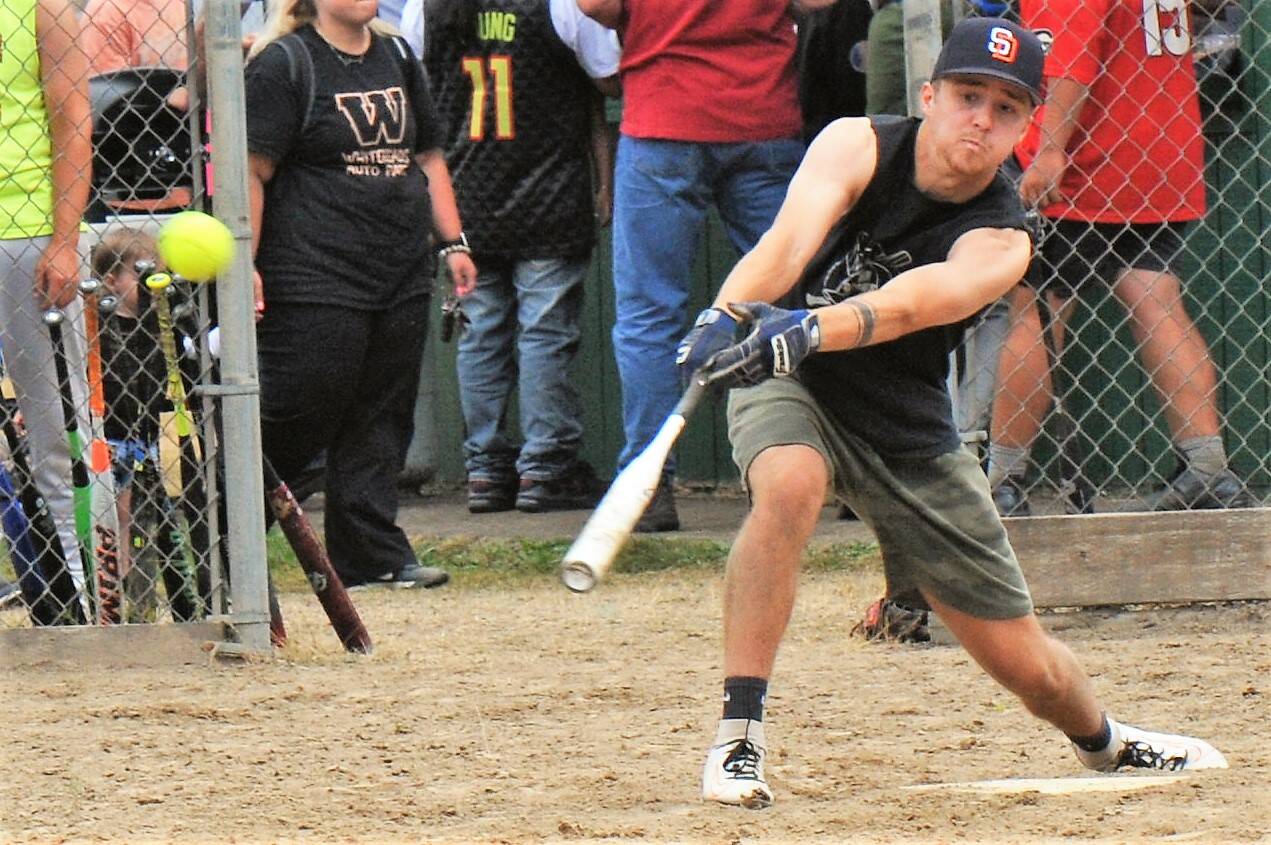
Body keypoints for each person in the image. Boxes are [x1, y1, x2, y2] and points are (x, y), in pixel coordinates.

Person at [673, 18, 1228, 809]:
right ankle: (738, 737)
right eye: (968, 96)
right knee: (789, 483)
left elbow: (910, 304)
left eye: (1005, 109)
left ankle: (1108, 741)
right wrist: (727, 315)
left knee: (1027, 667)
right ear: (929, 96)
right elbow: (787, 243)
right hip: (795, 384)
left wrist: (806, 328)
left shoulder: (1004, 236)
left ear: (1022, 128)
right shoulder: (854, 143)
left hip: (903, 426)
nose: (981, 119)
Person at [986, 0, 1252, 515]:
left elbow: (1071, 59)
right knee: (1156, 300)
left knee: (1039, 310)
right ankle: (1207, 468)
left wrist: (1049, 151)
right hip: (1160, 149)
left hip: (1089, 157)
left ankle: (999, 477)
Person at [244, 0, 476, 589]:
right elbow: (251, 168)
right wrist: (243, 263)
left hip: (397, 264)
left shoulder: (397, 53)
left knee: (382, 412)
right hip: (314, 268)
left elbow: (426, 155)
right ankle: (228, 534)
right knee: (303, 403)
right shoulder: (286, 62)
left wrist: (453, 242)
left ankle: (370, 553)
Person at [576, 0, 820, 532]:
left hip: (662, 117)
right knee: (787, 303)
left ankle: (649, 485)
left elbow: (594, 4)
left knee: (649, 315)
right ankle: (798, 471)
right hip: (761, 116)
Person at [424, 0, 619, 514]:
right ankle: (546, 466)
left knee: (480, 332)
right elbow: (610, 78)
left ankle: (485, 469)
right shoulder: (560, 5)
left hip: (467, 195)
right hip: (549, 192)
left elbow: (418, 92)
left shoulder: (426, 9)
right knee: (545, 333)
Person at [0, 0, 95, 619]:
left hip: (26, 227)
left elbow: (72, 118)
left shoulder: (42, 5)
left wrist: (64, 239)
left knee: (57, 434)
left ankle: (86, 599)